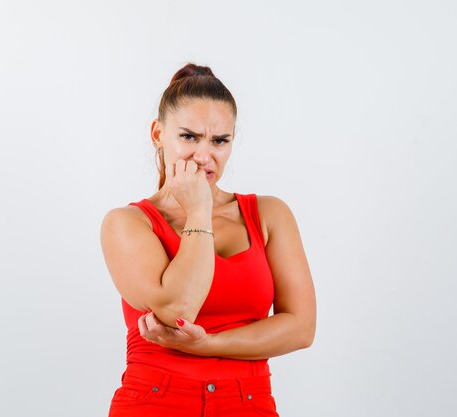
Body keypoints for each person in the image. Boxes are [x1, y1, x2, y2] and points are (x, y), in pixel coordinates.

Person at [100, 62, 316, 417]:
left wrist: (209, 344)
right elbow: (177, 311)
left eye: (219, 141)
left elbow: (301, 328)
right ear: (158, 134)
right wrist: (199, 212)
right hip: (157, 401)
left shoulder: (269, 214)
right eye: (188, 137)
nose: (204, 156)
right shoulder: (127, 223)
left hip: (249, 403)